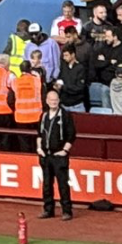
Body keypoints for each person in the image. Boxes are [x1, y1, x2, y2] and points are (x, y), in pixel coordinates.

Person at [37, 86, 76, 219]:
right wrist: (39, 149)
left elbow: (71, 135)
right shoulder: (43, 116)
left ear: (59, 100)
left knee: (62, 184)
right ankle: (48, 209)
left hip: (59, 155)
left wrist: (65, 150)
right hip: (45, 155)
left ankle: (67, 211)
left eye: (55, 100)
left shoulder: (65, 115)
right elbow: (39, 134)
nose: (53, 102)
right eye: (51, 100)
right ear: (47, 101)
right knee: (47, 184)